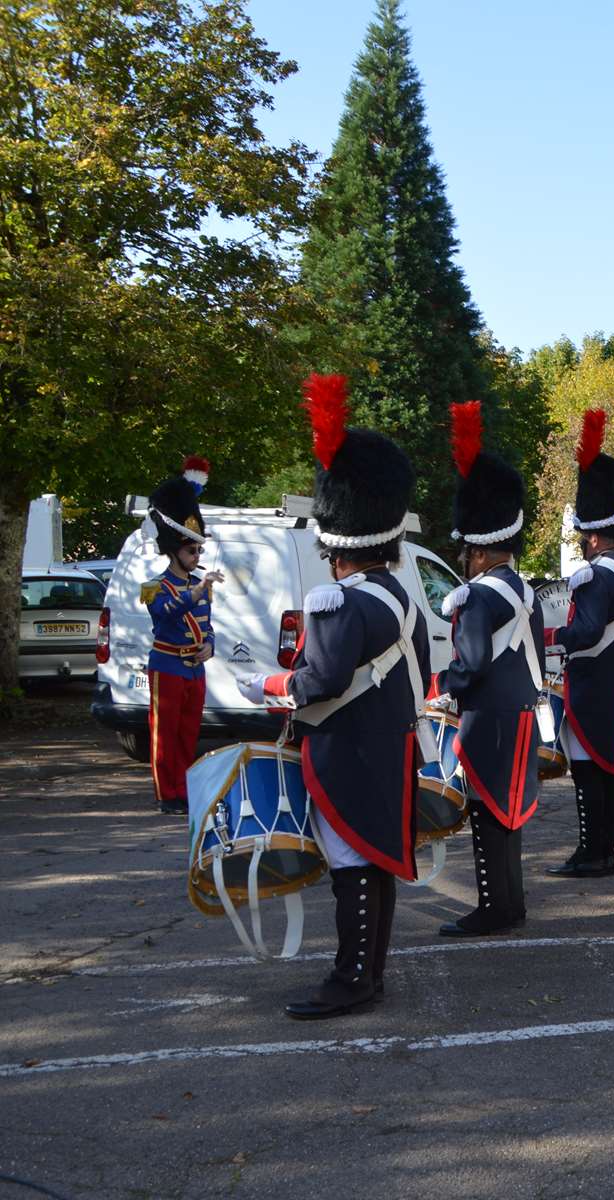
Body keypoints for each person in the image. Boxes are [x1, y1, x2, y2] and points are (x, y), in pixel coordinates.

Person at [235, 373, 426, 1019]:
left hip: (348, 754)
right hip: (391, 747)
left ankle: (353, 979)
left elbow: (319, 682)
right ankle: (368, 973)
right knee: (374, 858)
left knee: (351, 863)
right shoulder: (400, 597)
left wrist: (264, 684)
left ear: (333, 541)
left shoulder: (337, 601)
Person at [432, 401, 544, 937]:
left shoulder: (477, 596)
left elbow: (471, 662)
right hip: (522, 714)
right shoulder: (524, 590)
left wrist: (441, 686)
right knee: (509, 812)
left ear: (477, 551)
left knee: (486, 811)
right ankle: (511, 902)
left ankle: (494, 908)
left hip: (490, 720)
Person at [546, 408, 614, 879]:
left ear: (595, 534)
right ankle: (602, 849)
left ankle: (592, 852)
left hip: (594, 682)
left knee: (588, 769)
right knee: (606, 769)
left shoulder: (595, 575)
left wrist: (550, 637)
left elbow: (584, 632)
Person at [140, 456, 219, 816]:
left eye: (199, 549)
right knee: (165, 734)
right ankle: (166, 792)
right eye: (191, 549)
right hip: (167, 665)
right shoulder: (152, 586)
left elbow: (208, 624)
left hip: (194, 668)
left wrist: (210, 645)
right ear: (174, 549)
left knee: (189, 734)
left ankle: (186, 790)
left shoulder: (200, 584)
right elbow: (166, 614)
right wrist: (196, 592)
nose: (197, 555)